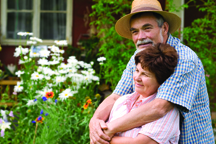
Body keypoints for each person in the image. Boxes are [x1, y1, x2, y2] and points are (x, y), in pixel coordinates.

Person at [89, 0, 215, 143]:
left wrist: (107, 130)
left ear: (165, 28)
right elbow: (116, 96)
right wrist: (95, 122)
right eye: (135, 31)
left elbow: (159, 107)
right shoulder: (140, 55)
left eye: (147, 28)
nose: (140, 37)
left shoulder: (184, 59)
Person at [107, 43, 180, 144]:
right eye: (137, 70)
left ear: (160, 81)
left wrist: (105, 138)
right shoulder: (122, 102)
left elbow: (142, 143)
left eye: (145, 74)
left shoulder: (168, 112)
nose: (137, 78)